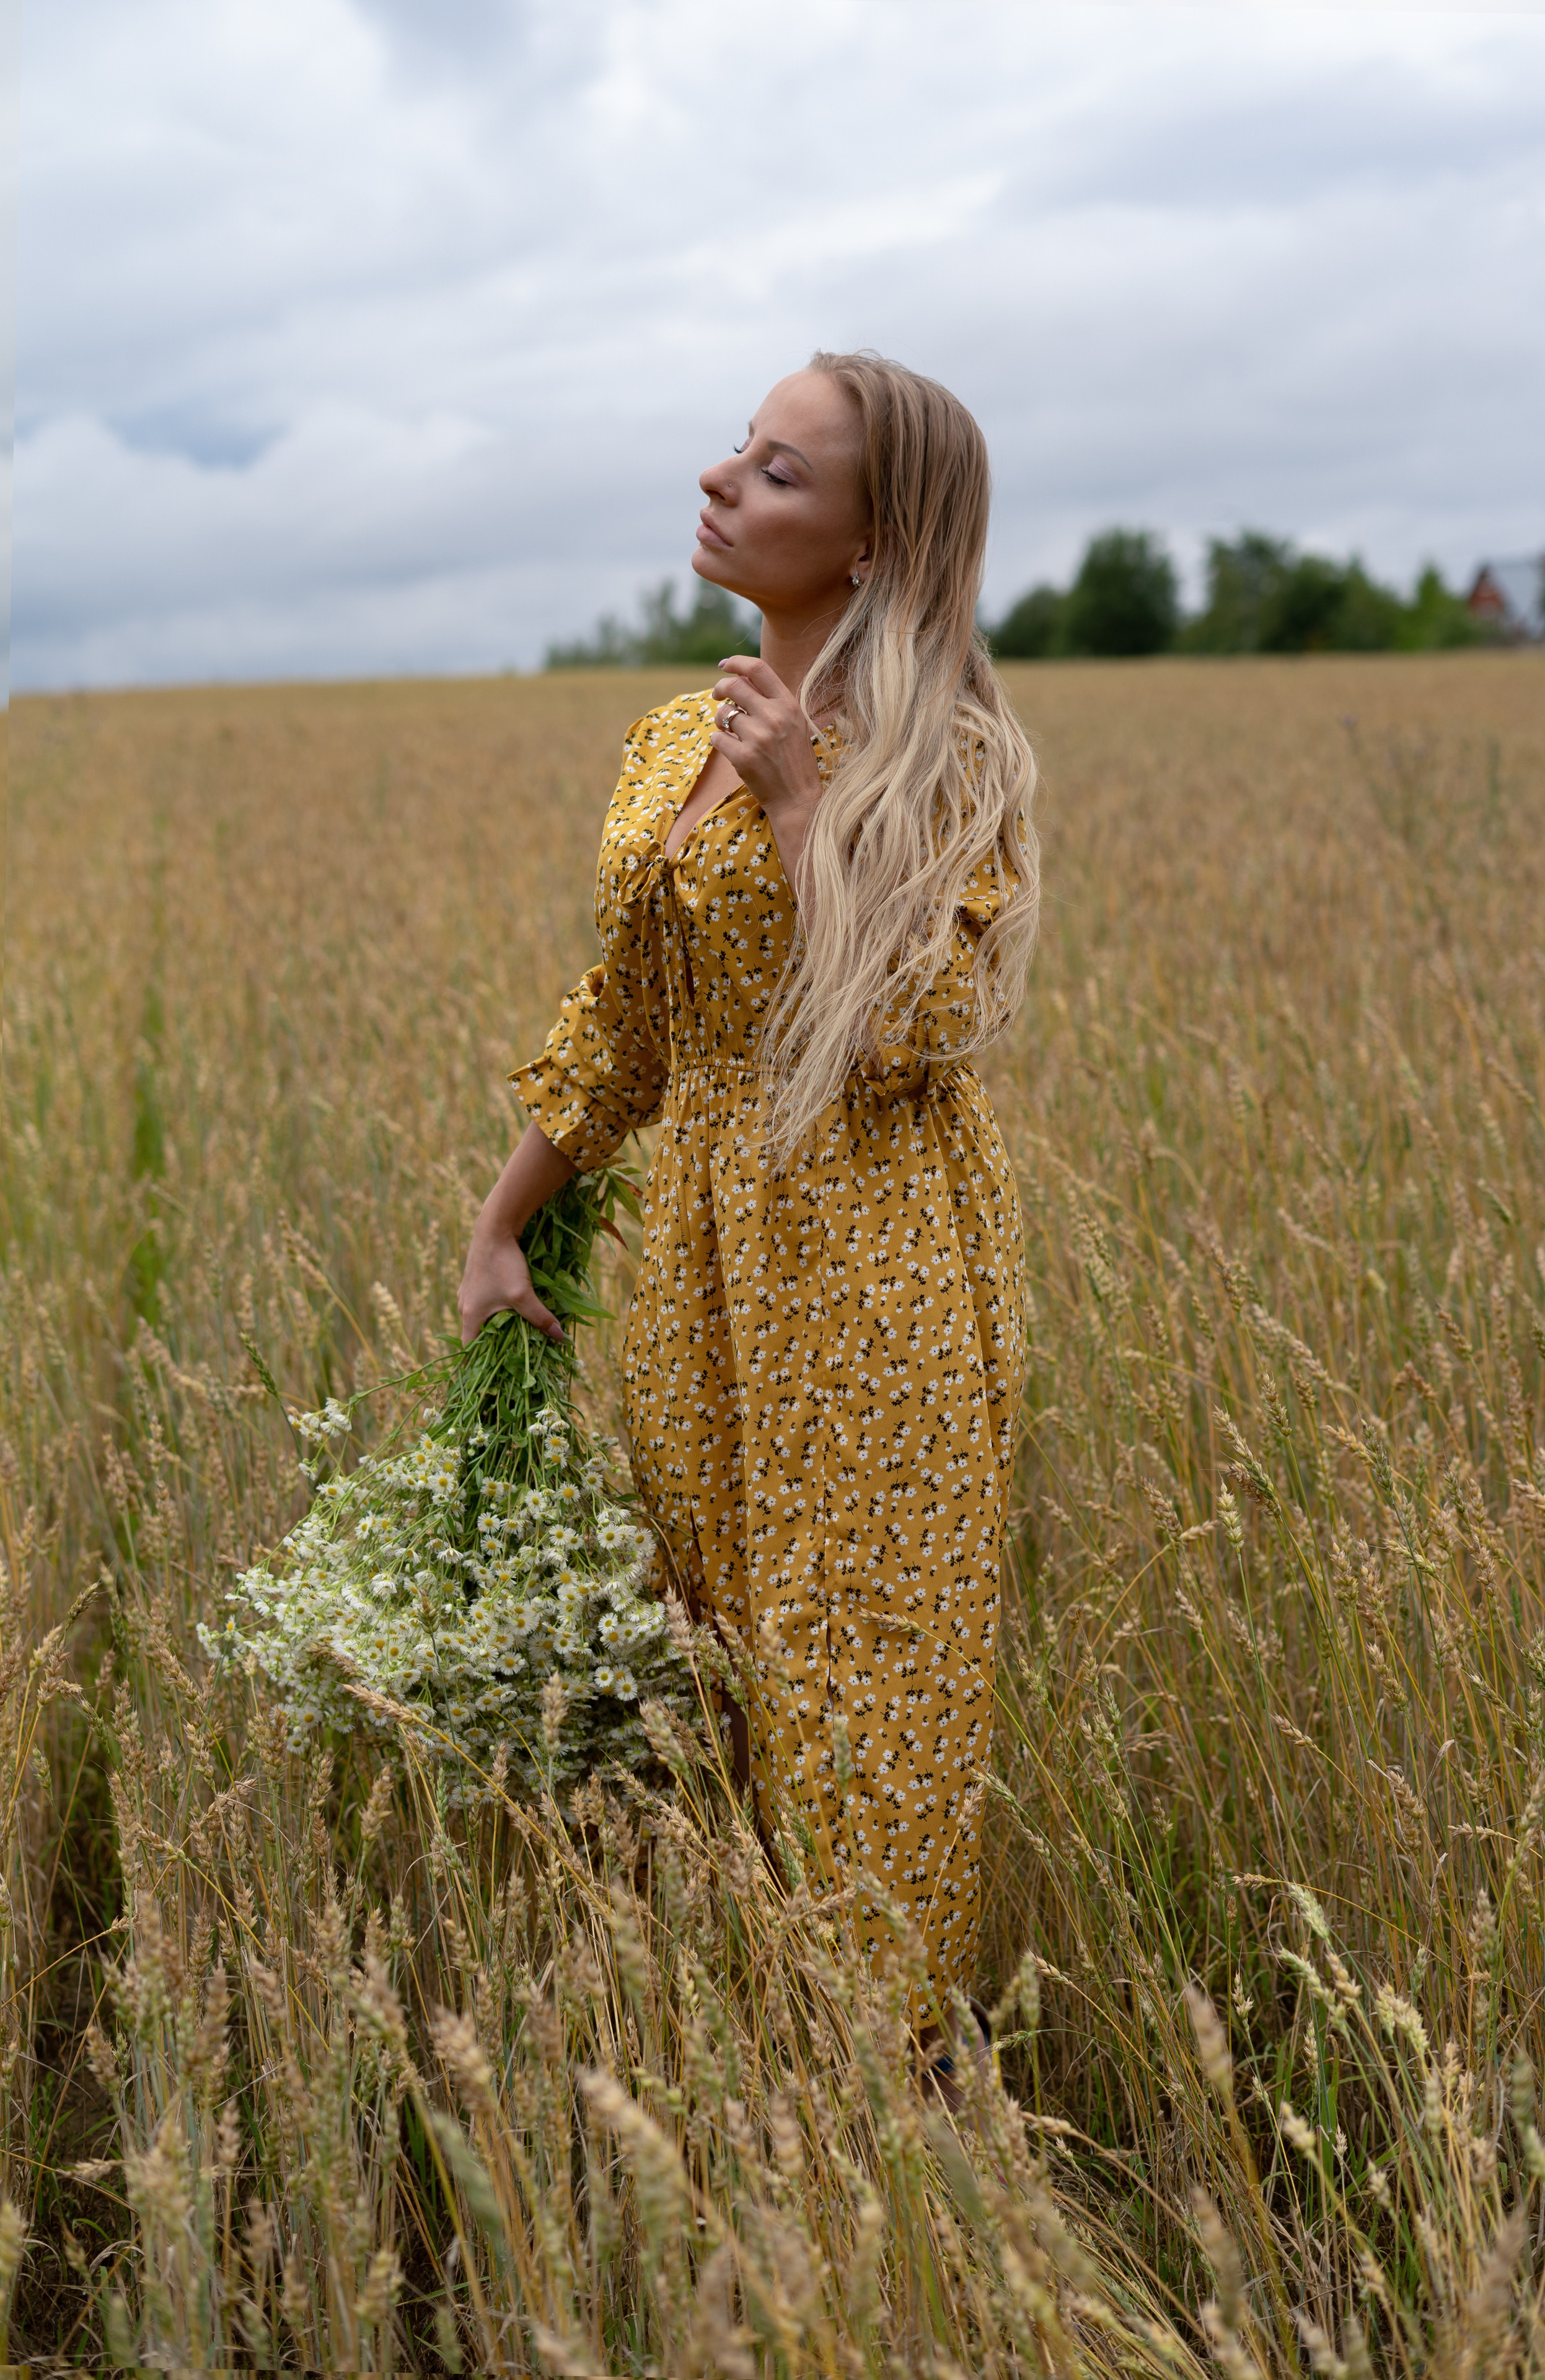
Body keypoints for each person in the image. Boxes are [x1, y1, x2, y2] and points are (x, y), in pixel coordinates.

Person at [459, 349, 1040, 2031]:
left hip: (875, 1267)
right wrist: (503, 1224)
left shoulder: (947, 756)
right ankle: (757, 2073)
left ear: (875, 542)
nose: (723, 480)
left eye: (781, 471)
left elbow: (920, 1028)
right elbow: (632, 1024)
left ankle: (891, 2084)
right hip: (707, 1273)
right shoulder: (670, 742)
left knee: (866, 1700)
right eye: (740, 449)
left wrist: (803, 809)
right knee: (708, 1671)